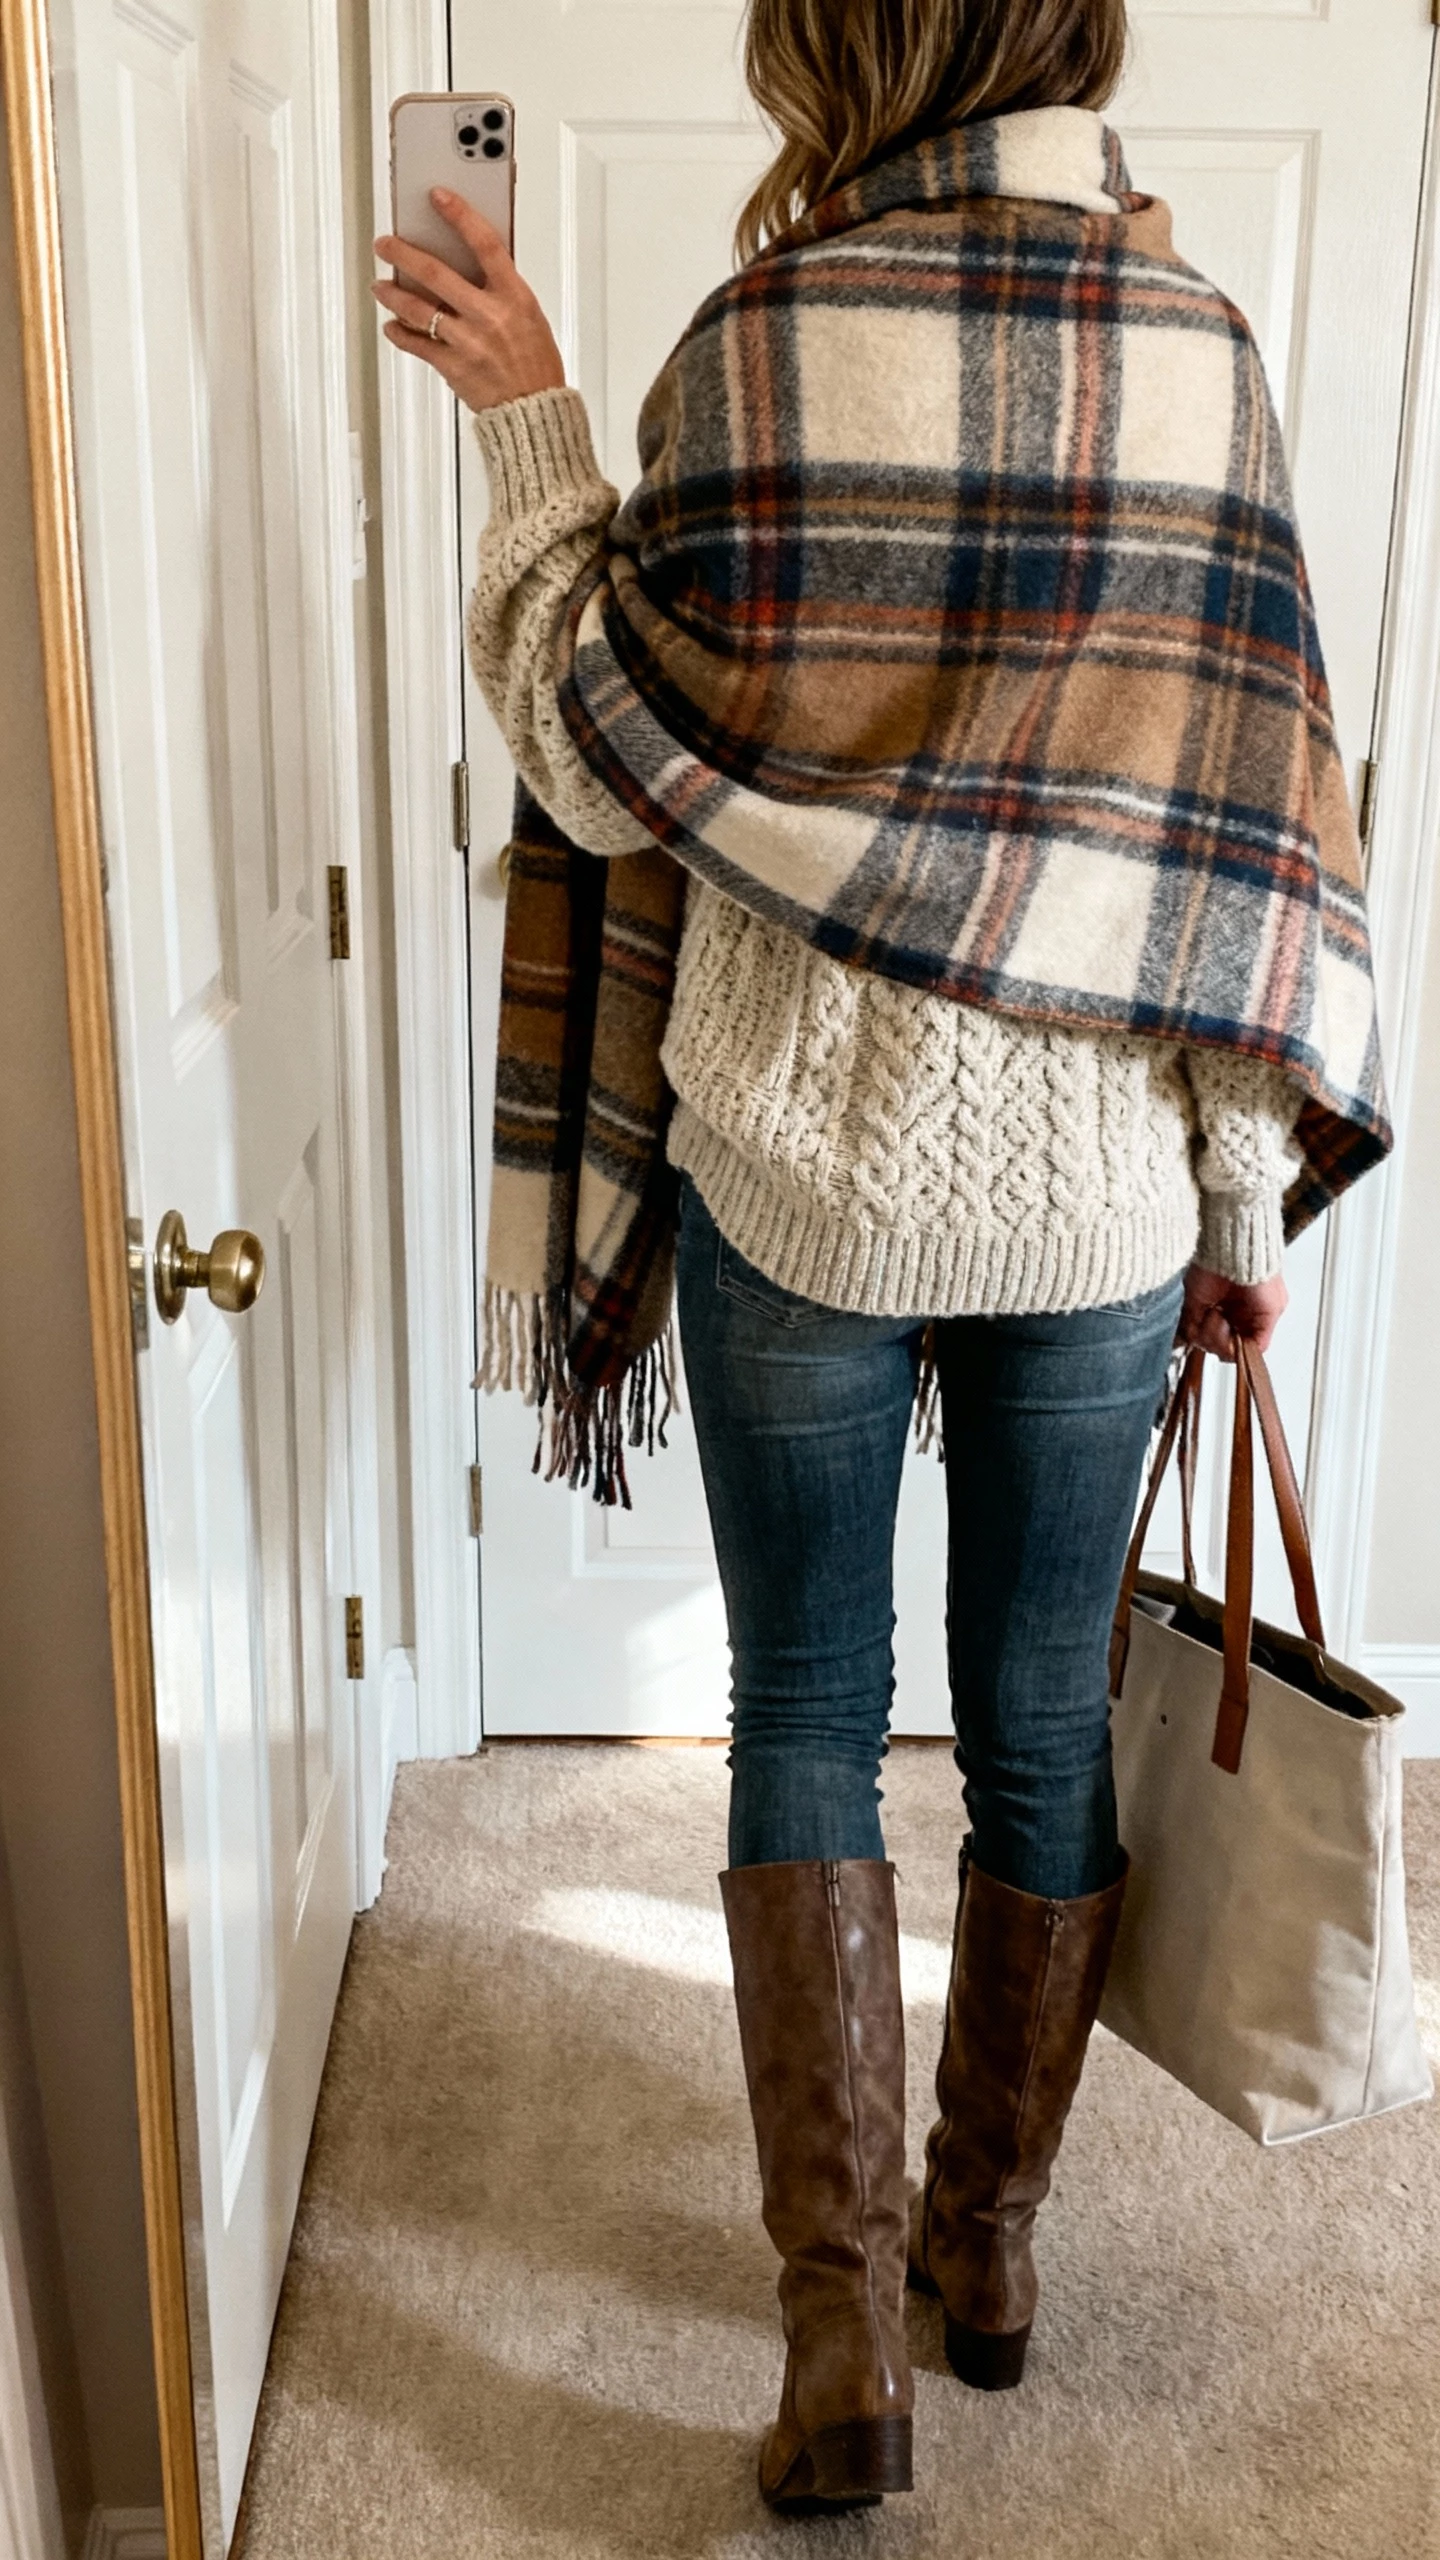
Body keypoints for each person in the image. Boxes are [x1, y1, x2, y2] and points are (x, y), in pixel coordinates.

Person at [375, 0, 1388, 2517]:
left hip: (797, 1176)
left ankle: (844, 2343)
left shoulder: (757, 349)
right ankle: (991, 2248)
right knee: (1039, 1725)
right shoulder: (1196, 357)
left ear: (843, 45)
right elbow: (1247, 829)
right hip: (1094, 1198)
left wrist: (529, 422)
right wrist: (1239, 1205)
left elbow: (589, 732)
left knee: (806, 1715)